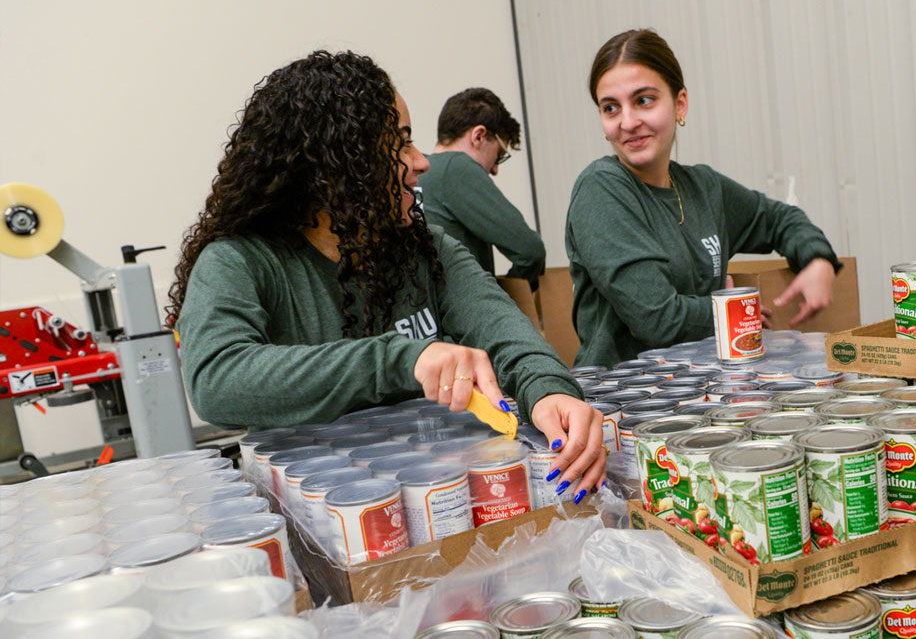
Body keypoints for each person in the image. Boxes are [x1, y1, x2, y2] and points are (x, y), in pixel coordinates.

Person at [170, 50, 603, 500]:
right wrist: (403, 358)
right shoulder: (239, 261)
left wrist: (550, 391)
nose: (422, 162)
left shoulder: (426, 247)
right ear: (336, 161)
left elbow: (507, 333)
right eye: (401, 143)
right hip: (323, 510)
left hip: (435, 495)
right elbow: (215, 382)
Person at [565, 29, 841, 367]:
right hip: (622, 401)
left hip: (705, 388)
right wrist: (736, 310)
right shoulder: (602, 190)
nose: (628, 122)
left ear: (680, 103)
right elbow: (657, 319)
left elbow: (778, 219)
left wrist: (817, 260)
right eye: (611, 108)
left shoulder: (702, 188)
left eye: (644, 100)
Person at [418, 88, 546, 289]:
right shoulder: (456, 167)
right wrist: (501, 302)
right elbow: (530, 251)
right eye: (499, 155)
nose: (495, 170)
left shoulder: (418, 174)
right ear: (478, 136)